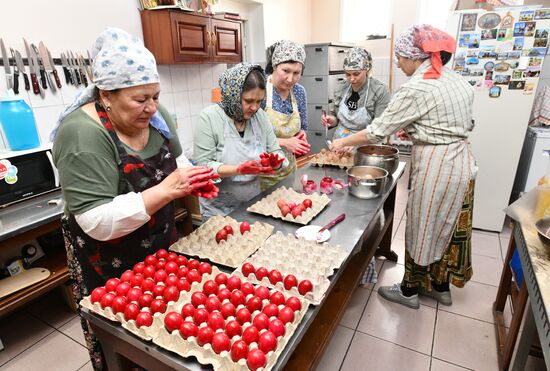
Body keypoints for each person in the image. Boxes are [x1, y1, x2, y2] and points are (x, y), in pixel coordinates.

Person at [52, 28, 216, 370]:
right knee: (125, 348)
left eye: (155, 96)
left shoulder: (157, 117)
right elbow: (97, 221)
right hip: (105, 259)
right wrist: (167, 190)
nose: (152, 107)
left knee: (169, 334)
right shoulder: (82, 134)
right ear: (106, 95)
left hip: (158, 248)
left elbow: (178, 162)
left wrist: (193, 180)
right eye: (140, 99)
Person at [331, 24, 477, 310]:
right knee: (448, 226)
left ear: (413, 56)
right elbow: (458, 122)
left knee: (423, 223)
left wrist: (341, 143)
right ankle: (440, 286)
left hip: (437, 163)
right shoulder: (455, 79)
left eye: (399, 57)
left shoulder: (418, 86)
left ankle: (409, 290)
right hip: (462, 162)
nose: (397, 62)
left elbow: (376, 131)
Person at [194, 63, 287, 218]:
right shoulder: (209, 118)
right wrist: (238, 169)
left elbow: (276, 151)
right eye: (248, 101)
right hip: (218, 210)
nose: (254, 108)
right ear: (233, 95)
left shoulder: (260, 117)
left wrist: (276, 162)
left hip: (253, 203)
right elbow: (203, 166)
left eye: (259, 101)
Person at [260, 40, 310, 189]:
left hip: (288, 168)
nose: (290, 79)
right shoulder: (261, 90)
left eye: (296, 73)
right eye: (286, 71)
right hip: (262, 172)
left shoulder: (299, 92)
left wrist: (301, 136)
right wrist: (285, 142)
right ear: (275, 66)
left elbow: (304, 126)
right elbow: (250, 137)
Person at [321, 46, 390, 140]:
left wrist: (350, 142)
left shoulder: (380, 90)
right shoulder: (341, 88)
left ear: (366, 69)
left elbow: (379, 129)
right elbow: (336, 118)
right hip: (340, 142)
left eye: (356, 74)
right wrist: (330, 120)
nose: (352, 79)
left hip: (365, 146)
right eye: (348, 74)